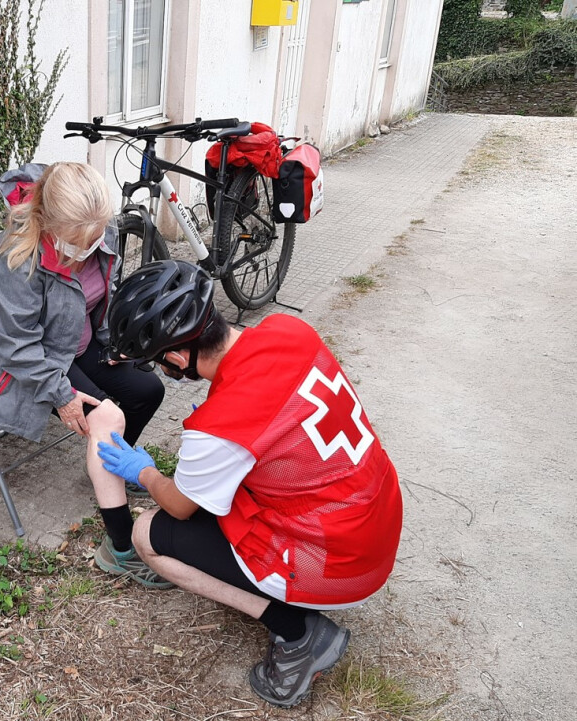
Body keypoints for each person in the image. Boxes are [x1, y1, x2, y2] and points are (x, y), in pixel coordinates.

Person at [97, 260, 403, 708]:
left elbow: (181, 507)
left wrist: (143, 471)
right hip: (375, 517)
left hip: (339, 561)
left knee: (150, 534)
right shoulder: (288, 330)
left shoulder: (219, 428)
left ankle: (299, 635)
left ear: (179, 357)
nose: (160, 370)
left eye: (157, 363)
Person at [0, 161, 168, 587]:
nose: (92, 245)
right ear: (48, 223)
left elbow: (99, 299)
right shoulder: (14, 259)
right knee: (108, 417)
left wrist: (112, 343)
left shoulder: (99, 229)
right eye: (79, 240)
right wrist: (62, 395)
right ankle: (120, 549)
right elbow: (17, 347)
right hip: (26, 364)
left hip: (74, 344)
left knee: (146, 389)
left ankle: (107, 466)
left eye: (97, 236)